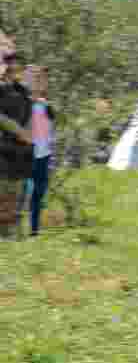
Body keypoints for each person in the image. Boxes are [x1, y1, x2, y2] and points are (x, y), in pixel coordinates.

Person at [0, 51, 32, 239]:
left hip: (21, 151)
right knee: (4, 192)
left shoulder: (24, 92)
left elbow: (29, 118)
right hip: (3, 147)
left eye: (20, 65)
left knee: (18, 193)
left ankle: (14, 236)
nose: (17, 68)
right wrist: (18, 131)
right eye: (13, 64)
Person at [24, 66, 55, 236]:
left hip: (44, 155)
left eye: (44, 79)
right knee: (26, 194)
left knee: (39, 194)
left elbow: (51, 127)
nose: (44, 82)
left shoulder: (45, 103)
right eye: (40, 79)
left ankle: (34, 230)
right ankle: (19, 229)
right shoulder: (25, 101)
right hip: (28, 154)